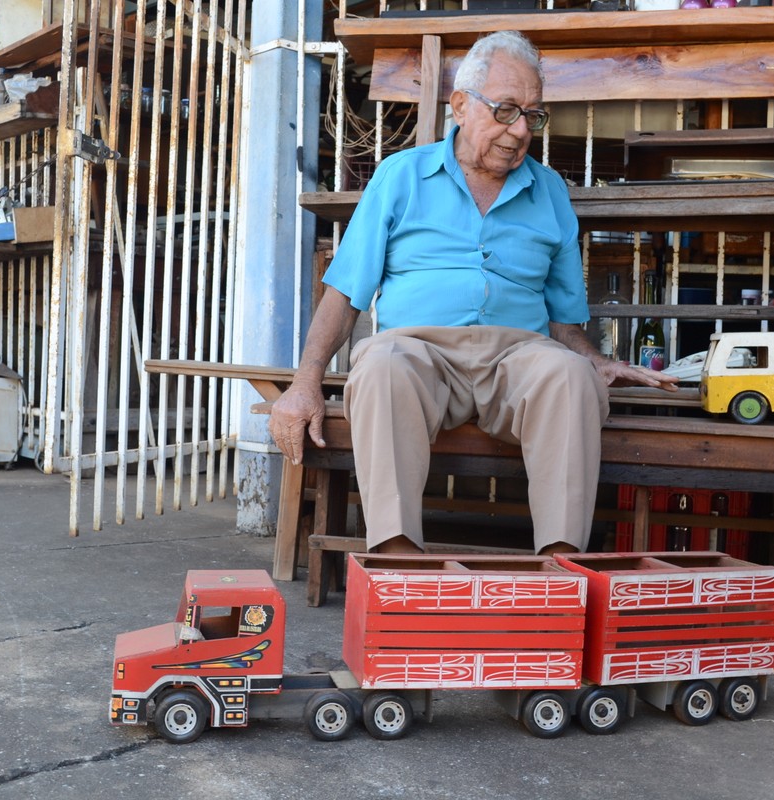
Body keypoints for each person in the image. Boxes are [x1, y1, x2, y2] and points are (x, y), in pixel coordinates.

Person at [268, 30, 678, 556]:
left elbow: (564, 324)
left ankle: (560, 567)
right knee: (381, 364)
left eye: (533, 115)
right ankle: (397, 559)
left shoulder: (549, 190)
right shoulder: (401, 176)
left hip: (516, 358)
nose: (521, 130)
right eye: (506, 110)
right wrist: (305, 385)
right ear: (460, 105)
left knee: (571, 376)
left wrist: (594, 360)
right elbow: (345, 293)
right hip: (420, 354)